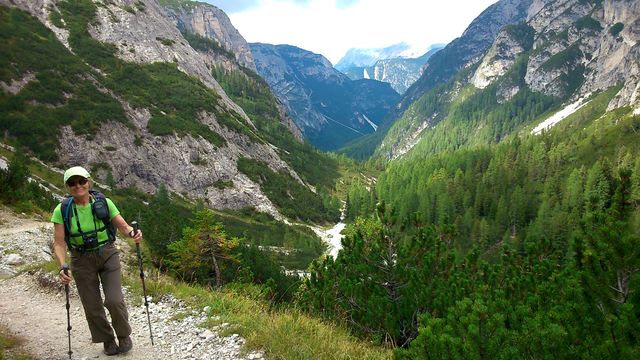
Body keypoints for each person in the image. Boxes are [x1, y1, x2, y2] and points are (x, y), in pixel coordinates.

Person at [52, 166, 143, 356]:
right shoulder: (62, 210)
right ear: (67, 187)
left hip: (107, 253)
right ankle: (107, 339)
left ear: (89, 182)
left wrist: (132, 233)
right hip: (80, 259)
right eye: (72, 183)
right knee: (92, 306)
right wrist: (62, 265)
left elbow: (123, 226)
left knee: (114, 299)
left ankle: (124, 335)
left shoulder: (105, 203)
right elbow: (59, 243)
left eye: (81, 181)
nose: (78, 186)